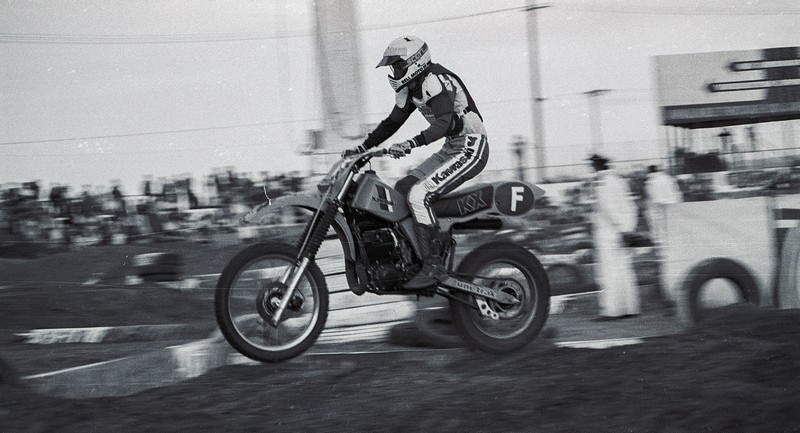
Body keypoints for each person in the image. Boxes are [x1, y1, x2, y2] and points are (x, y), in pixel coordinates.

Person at [345, 36, 489, 289]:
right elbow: (392, 123)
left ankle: (433, 265)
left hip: (470, 148)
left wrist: (411, 143)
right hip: (452, 148)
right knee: (402, 188)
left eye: (397, 65)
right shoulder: (411, 87)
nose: (394, 71)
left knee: (419, 195)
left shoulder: (435, 80)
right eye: (393, 67)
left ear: (414, 62)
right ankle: (412, 257)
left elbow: (443, 124)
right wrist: (361, 148)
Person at [588, 154, 640, 320]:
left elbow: (607, 208)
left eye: (592, 164)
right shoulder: (619, 180)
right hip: (622, 230)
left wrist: (620, 228)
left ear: (597, 165)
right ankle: (630, 308)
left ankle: (612, 311)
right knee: (624, 268)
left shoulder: (601, 182)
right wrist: (628, 229)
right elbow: (631, 206)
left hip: (608, 231)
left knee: (608, 271)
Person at [643, 165, 682, 247]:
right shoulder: (668, 178)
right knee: (670, 224)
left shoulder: (650, 181)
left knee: (658, 224)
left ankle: (660, 243)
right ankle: (672, 242)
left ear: (650, 171)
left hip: (658, 204)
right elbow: (676, 191)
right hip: (671, 203)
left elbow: (651, 195)